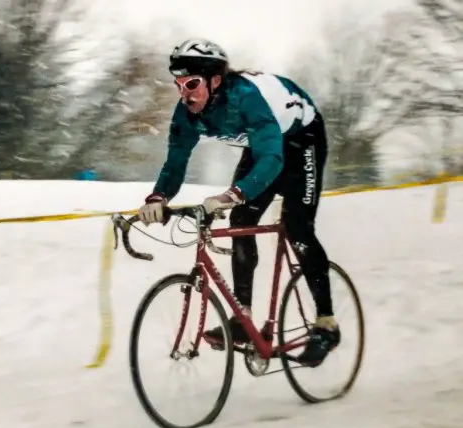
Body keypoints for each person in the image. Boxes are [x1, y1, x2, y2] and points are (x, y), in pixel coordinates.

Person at [137, 38, 339, 366]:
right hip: (265, 144)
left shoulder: (246, 98)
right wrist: (158, 197)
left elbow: (272, 160)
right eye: (178, 84)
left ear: (216, 81)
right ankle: (242, 320)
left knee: (299, 228)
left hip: (302, 141)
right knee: (242, 221)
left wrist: (232, 194)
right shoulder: (187, 113)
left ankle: (326, 324)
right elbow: (175, 162)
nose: (184, 93)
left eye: (191, 84)